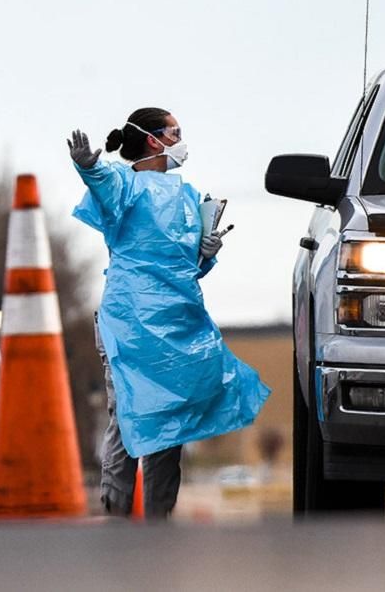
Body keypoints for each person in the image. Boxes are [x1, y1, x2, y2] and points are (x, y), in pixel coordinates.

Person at [67, 107, 269, 519]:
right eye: (175, 133)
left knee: (170, 421)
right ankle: (116, 512)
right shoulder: (126, 183)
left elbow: (188, 265)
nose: (181, 141)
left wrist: (206, 252)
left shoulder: (190, 198)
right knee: (128, 415)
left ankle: (159, 520)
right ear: (153, 139)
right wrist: (88, 167)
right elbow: (106, 186)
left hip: (177, 320)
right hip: (130, 321)